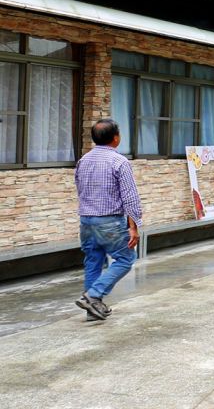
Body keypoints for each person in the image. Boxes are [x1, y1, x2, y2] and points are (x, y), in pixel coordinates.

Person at [74, 118, 143, 321]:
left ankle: (93, 311)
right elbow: (130, 198)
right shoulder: (119, 161)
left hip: (86, 220)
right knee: (126, 259)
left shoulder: (83, 161)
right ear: (116, 138)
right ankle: (94, 295)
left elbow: (80, 189)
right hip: (110, 221)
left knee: (93, 261)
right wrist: (134, 227)